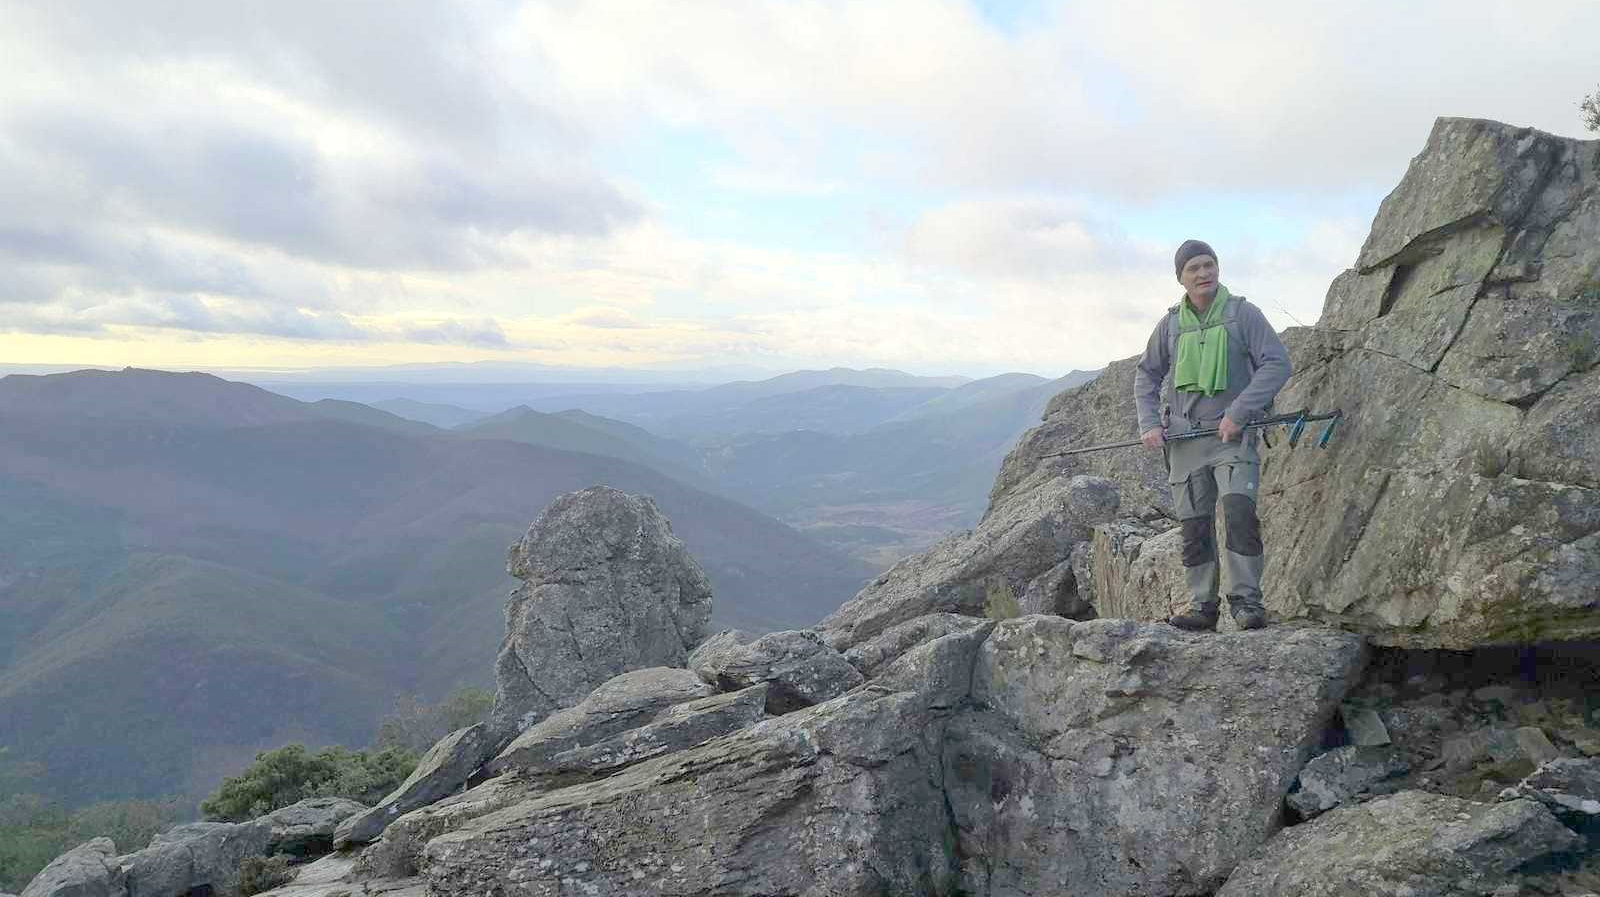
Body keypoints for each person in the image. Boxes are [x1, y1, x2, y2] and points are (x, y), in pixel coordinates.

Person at [1132, 240, 1291, 631]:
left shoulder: (1243, 315)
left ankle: (1247, 603)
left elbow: (1277, 364)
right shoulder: (1170, 325)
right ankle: (1203, 607)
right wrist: (1149, 423)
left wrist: (1239, 411)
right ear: (1181, 278)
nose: (1204, 273)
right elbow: (1146, 375)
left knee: (1239, 513)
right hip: (1185, 441)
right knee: (1194, 526)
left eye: (1209, 265)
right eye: (1194, 269)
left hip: (1231, 439)